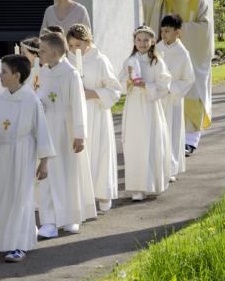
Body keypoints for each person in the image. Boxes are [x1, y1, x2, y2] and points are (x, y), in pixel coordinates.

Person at [141, 0, 213, 155]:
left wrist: (178, 30)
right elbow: (149, 6)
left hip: (193, 57)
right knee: (169, 96)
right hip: (168, 56)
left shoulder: (199, 3)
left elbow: (204, 29)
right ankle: (170, 139)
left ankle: (190, 141)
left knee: (192, 96)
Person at [35, 31, 96, 238]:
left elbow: (79, 105)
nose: (39, 54)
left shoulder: (71, 74)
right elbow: (41, 95)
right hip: (47, 126)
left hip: (66, 128)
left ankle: (71, 217)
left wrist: (80, 134)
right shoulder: (43, 71)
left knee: (68, 172)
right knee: (48, 173)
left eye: (42, 51)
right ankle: (49, 220)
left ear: (54, 52)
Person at [0, 55, 54, 262]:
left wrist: (44, 161)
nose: (0, 75)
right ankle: (6, 241)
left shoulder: (30, 99)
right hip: (3, 152)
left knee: (20, 197)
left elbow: (42, 130)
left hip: (23, 150)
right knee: (5, 197)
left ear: (17, 75)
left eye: (4, 72)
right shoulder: (0, 99)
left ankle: (19, 245)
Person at [65, 24, 122, 213]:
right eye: (71, 45)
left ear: (88, 42)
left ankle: (102, 193)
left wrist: (93, 93)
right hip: (75, 114)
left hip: (96, 112)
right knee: (79, 155)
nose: (74, 49)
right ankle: (81, 195)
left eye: (78, 45)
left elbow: (115, 89)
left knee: (100, 152)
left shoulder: (100, 60)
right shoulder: (67, 61)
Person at [119, 26, 173, 201]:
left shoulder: (157, 62)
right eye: (139, 40)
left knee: (149, 141)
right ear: (134, 42)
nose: (142, 43)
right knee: (134, 144)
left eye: (146, 40)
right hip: (134, 105)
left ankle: (150, 183)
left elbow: (164, 84)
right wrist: (127, 81)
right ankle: (136, 187)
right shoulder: (129, 61)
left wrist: (146, 86)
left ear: (152, 42)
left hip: (149, 106)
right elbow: (119, 83)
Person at [156, 14, 195, 180]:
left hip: (173, 99)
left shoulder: (182, 53)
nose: (164, 34)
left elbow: (188, 78)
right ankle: (158, 165)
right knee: (158, 131)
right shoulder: (157, 48)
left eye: (167, 31)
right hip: (158, 97)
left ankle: (171, 167)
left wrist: (171, 87)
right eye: (162, 31)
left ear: (178, 32)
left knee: (172, 131)